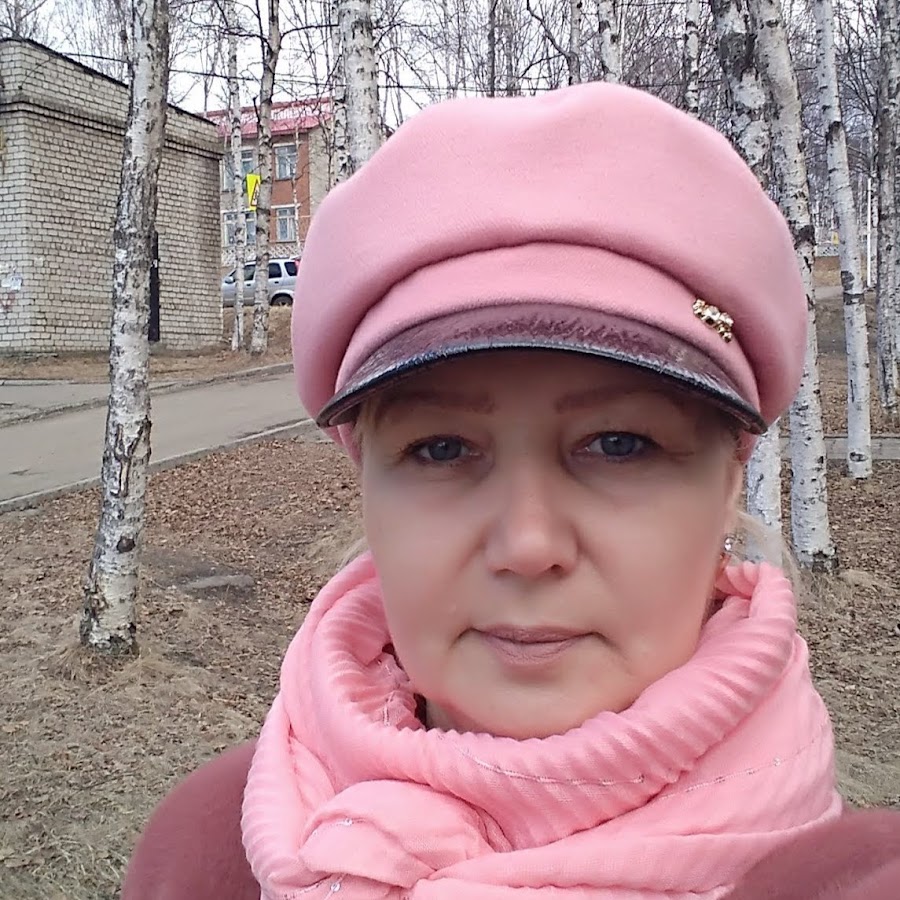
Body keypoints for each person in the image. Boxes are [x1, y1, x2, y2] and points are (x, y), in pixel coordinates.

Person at [122, 82, 899, 899]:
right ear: (365, 483)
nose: (528, 547)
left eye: (620, 444)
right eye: (442, 448)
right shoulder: (209, 855)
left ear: (730, 478)